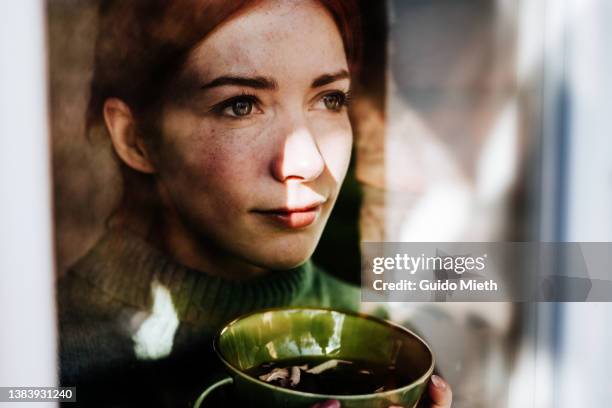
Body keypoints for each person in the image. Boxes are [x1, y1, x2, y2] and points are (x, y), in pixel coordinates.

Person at [57, 1, 452, 407]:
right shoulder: (42, 354)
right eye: (241, 105)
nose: (308, 162)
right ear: (135, 138)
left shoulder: (391, 346)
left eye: (331, 99)